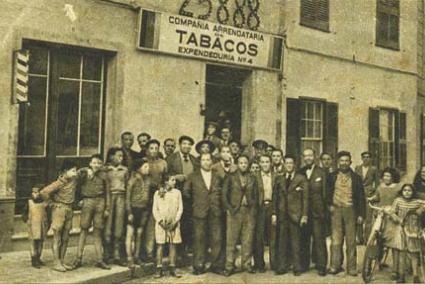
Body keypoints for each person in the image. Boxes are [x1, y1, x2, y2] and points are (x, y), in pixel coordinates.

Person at [184, 153, 225, 275]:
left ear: (212, 161)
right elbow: (186, 192)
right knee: (199, 239)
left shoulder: (218, 176)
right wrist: (194, 205)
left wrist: (219, 206)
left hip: (215, 210)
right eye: (204, 160)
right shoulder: (192, 176)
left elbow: (223, 192)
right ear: (200, 162)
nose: (206, 162)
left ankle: (216, 265)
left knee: (216, 238)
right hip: (199, 211)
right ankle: (198, 266)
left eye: (209, 159)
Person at [327, 151, 365, 276]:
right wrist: (329, 206)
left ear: (350, 162)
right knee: (336, 240)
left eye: (346, 160)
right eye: (341, 160)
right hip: (336, 210)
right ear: (338, 162)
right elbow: (326, 193)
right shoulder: (332, 176)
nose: (344, 163)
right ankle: (335, 266)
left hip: (351, 211)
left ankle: (352, 267)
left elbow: (361, 198)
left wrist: (361, 215)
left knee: (351, 241)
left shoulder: (356, 178)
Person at [39, 160, 79, 272]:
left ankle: (62, 261)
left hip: (70, 209)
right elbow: (43, 192)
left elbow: (83, 171)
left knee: (66, 237)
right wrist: (51, 204)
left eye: (75, 170)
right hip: (59, 210)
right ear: (65, 171)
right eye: (73, 171)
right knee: (57, 236)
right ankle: (56, 262)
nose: (75, 173)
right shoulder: (58, 183)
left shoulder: (74, 179)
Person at [73, 154, 111, 270]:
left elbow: (107, 192)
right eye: (94, 163)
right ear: (90, 163)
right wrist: (86, 170)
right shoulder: (84, 173)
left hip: (100, 202)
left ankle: (100, 259)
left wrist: (107, 208)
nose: (96, 165)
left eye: (99, 163)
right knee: (84, 229)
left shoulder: (104, 175)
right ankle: (78, 259)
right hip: (87, 201)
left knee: (98, 231)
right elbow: (75, 179)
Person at [222, 155, 258, 276]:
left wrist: (252, 208)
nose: (243, 165)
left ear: (248, 164)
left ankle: (246, 264)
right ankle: (229, 265)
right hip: (234, 212)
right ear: (237, 164)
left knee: (247, 239)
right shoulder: (230, 177)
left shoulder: (252, 178)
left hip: (248, 212)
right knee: (231, 240)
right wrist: (230, 209)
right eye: (241, 163)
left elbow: (256, 195)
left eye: (245, 163)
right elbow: (224, 195)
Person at [274, 155, 309, 276]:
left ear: (294, 165)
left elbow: (305, 199)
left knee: (296, 241)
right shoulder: (280, 179)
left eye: (291, 163)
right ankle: (282, 266)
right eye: (287, 163)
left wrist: (304, 215)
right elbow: (275, 198)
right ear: (283, 164)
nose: (289, 165)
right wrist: (275, 213)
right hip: (282, 214)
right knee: (282, 241)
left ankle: (297, 267)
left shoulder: (301, 178)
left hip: (296, 214)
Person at [167, 135, 198, 260]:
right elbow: (166, 174)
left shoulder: (194, 160)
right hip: (175, 194)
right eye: (184, 143)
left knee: (187, 223)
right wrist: (175, 176)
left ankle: (184, 249)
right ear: (180, 145)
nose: (187, 146)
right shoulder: (171, 158)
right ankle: (174, 251)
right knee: (175, 221)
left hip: (189, 196)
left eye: (189, 144)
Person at [387, 184, 425, 283]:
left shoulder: (416, 201)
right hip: (400, 228)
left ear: (413, 192)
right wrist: (398, 219)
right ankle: (401, 275)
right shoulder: (398, 200)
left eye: (409, 190)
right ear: (402, 192)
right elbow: (392, 212)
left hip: (413, 228)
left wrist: (420, 210)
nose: (407, 192)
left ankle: (415, 275)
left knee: (413, 253)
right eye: (405, 190)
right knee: (402, 252)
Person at [367, 167, 401, 278]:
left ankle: (395, 270)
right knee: (377, 239)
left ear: (393, 177)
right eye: (385, 176)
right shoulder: (380, 187)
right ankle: (375, 262)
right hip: (381, 215)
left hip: (391, 217)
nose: (386, 178)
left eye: (389, 176)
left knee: (394, 242)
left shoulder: (397, 188)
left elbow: (400, 200)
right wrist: (372, 198)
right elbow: (377, 197)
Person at [299, 148, 328, 276]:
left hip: (318, 212)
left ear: (314, 156)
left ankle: (321, 266)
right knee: (304, 238)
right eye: (306, 156)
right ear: (303, 158)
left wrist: (324, 211)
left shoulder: (322, 172)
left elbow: (325, 193)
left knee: (319, 239)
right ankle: (304, 264)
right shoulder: (300, 172)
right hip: (304, 212)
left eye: (310, 155)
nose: (308, 158)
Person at [152, 175, 183, 278]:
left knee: (173, 244)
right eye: (172, 180)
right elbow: (155, 209)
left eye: (175, 180)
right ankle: (159, 268)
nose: (174, 182)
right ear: (166, 182)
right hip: (162, 224)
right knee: (160, 245)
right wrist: (160, 221)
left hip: (173, 223)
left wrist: (175, 221)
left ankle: (172, 267)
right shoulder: (158, 193)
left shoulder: (177, 193)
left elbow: (180, 208)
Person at [143, 139, 167, 262]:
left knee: (153, 224)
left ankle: (149, 252)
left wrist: (163, 190)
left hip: (157, 195)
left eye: (156, 148)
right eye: (151, 148)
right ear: (146, 150)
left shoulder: (163, 163)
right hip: (143, 196)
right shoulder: (142, 162)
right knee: (142, 224)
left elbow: (165, 179)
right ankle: (140, 253)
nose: (154, 151)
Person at [104, 147, 129, 265]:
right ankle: (106, 254)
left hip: (121, 197)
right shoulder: (105, 170)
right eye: (118, 155)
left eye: (122, 156)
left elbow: (128, 185)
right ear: (110, 157)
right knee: (108, 226)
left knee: (119, 226)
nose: (121, 158)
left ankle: (117, 254)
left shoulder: (125, 170)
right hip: (108, 198)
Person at [253, 155, 277, 273]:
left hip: (272, 206)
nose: (265, 164)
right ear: (260, 164)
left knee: (273, 236)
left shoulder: (276, 176)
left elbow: (278, 196)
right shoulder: (254, 177)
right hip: (260, 208)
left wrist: (275, 212)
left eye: (267, 162)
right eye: (262, 162)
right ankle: (259, 264)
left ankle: (274, 263)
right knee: (259, 237)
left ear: (271, 163)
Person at [355, 151, 379, 245]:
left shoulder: (374, 169)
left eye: (368, 157)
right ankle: (359, 238)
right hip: (358, 196)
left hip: (369, 196)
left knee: (368, 219)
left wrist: (373, 192)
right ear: (361, 158)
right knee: (359, 217)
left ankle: (367, 239)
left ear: (371, 158)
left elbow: (377, 183)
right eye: (364, 157)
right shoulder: (357, 168)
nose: (366, 159)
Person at [23, 186, 48, 269]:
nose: (35, 194)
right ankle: (34, 260)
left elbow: (47, 214)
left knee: (40, 242)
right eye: (33, 192)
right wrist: (27, 220)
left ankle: (38, 257)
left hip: (41, 224)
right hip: (32, 224)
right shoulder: (29, 202)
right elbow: (24, 214)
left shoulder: (44, 203)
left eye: (37, 192)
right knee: (33, 242)